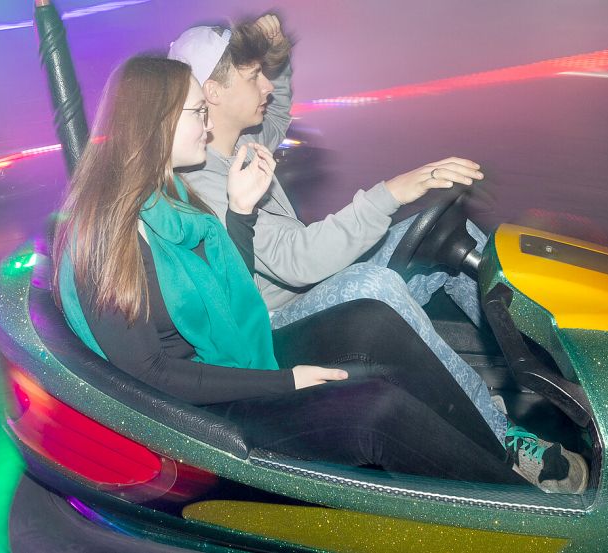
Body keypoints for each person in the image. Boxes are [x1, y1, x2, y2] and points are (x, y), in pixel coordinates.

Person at [52, 55, 588, 493]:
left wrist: (241, 211)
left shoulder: (169, 200)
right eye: (197, 112)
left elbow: (228, 289)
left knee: (377, 329)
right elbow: (155, 375)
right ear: (158, 122)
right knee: (376, 409)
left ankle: (532, 413)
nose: (208, 124)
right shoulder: (108, 234)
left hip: (234, 357)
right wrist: (286, 380)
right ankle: (519, 508)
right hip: (202, 418)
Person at [168, 15, 511, 445]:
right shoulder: (204, 184)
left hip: (311, 289)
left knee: (448, 231)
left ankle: (539, 360)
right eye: (254, 76)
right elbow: (299, 261)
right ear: (213, 93)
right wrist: (393, 191)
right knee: (374, 282)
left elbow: (278, 105)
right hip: (276, 327)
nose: (267, 85)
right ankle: (501, 435)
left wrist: (276, 50)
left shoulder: (243, 142)